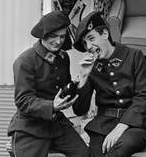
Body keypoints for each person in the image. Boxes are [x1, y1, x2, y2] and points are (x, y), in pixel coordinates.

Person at [72, 11, 146, 157]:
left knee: (121, 147)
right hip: (101, 127)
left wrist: (120, 128)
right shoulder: (92, 66)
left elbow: (145, 96)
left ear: (105, 33)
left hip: (133, 127)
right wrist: (84, 77)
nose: (89, 46)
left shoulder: (133, 56)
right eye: (85, 43)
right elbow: (80, 110)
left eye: (92, 38)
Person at [7, 10, 90, 157]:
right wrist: (51, 106)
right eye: (53, 36)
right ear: (43, 35)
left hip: (56, 124)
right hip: (30, 127)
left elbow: (61, 89)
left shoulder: (63, 57)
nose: (58, 42)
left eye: (62, 37)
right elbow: (23, 101)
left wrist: (78, 81)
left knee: (84, 154)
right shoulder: (25, 61)